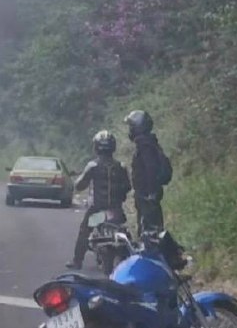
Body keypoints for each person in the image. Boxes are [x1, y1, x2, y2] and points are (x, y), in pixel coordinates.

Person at [65, 130, 131, 269]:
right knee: (124, 235)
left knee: (84, 231)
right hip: (116, 210)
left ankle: (77, 261)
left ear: (96, 147)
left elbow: (79, 185)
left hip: (98, 212)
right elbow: (127, 186)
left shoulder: (93, 166)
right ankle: (127, 262)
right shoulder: (121, 166)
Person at [124, 109, 166, 234]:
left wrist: (150, 194)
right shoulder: (148, 143)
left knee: (149, 232)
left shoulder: (145, 146)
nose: (130, 130)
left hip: (147, 197)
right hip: (147, 197)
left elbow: (151, 169)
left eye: (131, 126)